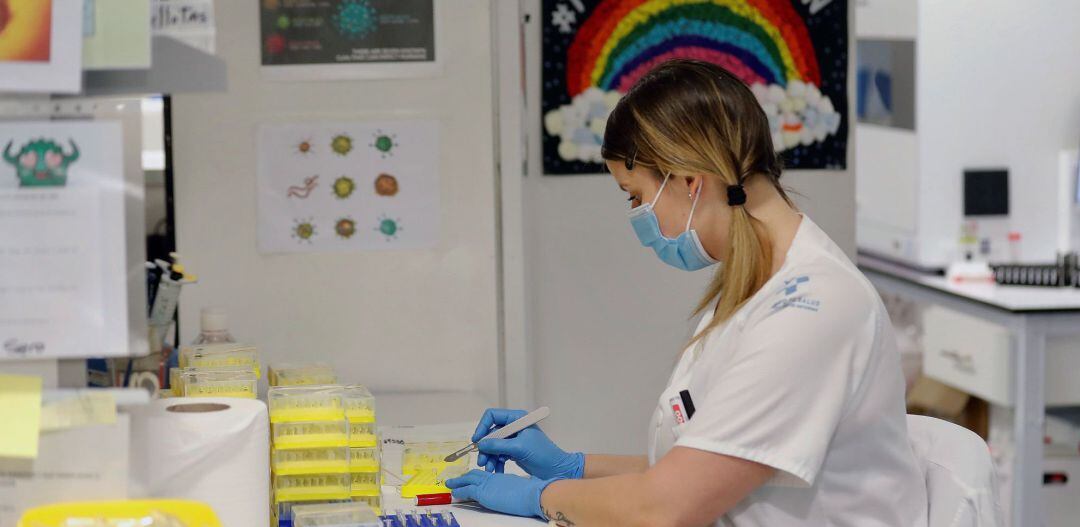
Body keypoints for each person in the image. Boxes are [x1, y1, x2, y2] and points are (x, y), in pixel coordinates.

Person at [446, 59, 928, 526]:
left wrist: (539, 497)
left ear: (690, 181)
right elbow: (696, 472)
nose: (637, 215)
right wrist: (572, 468)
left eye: (635, 196)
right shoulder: (758, 285)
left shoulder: (811, 308)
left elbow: (666, 508)